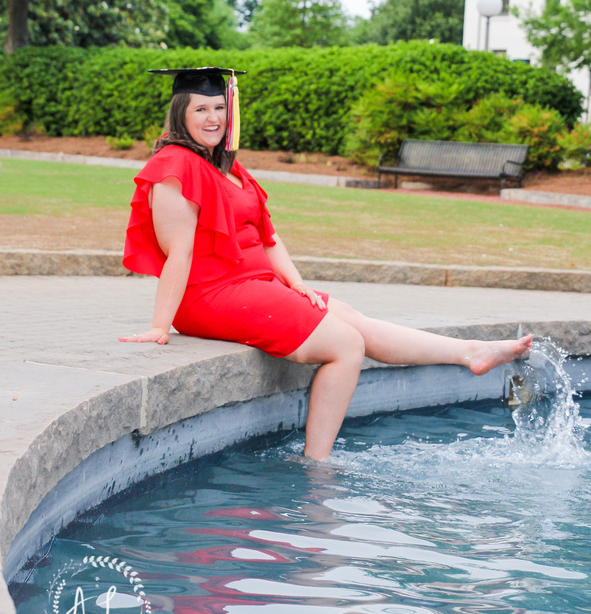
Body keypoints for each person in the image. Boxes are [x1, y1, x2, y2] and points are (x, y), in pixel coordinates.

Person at [119, 67, 533, 461]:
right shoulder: (174, 166)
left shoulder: (224, 163)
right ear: (180, 113)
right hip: (213, 295)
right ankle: (316, 463)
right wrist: (160, 325)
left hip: (253, 282)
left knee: (352, 318)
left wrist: (297, 284)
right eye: (201, 109)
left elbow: (268, 234)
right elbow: (179, 252)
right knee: (346, 344)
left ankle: (471, 353)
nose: (214, 118)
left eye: (219, 107)